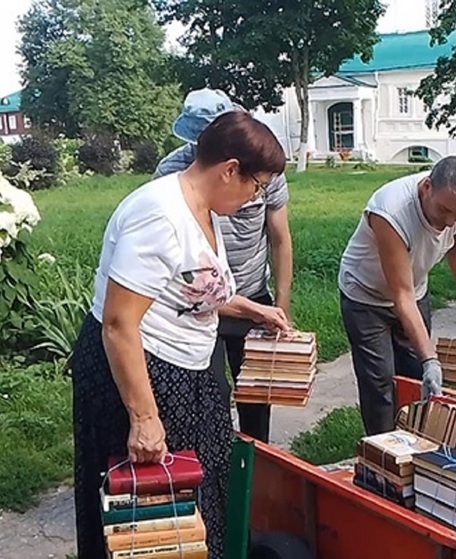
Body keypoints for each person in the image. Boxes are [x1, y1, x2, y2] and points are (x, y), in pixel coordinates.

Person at [70, 111, 287, 559]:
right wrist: (145, 419)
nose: (255, 198)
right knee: (147, 516)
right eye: (256, 185)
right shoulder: (160, 214)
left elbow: (186, 286)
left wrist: (252, 309)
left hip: (184, 373)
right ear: (230, 170)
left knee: (193, 500)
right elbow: (119, 323)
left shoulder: (200, 207)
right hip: (140, 375)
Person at [154, 88, 293, 443]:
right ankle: (215, 467)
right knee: (211, 394)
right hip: (201, 304)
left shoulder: (261, 170)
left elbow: (280, 238)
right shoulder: (171, 176)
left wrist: (278, 304)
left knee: (257, 393)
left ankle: (257, 464)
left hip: (250, 294)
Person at [338, 156, 456, 436]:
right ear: (426, 187)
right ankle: (382, 456)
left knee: (415, 377)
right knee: (380, 383)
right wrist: (430, 359)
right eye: (444, 210)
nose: (449, 221)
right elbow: (401, 296)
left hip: (413, 290)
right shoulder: (390, 212)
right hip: (366, 296)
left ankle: (415, 448)